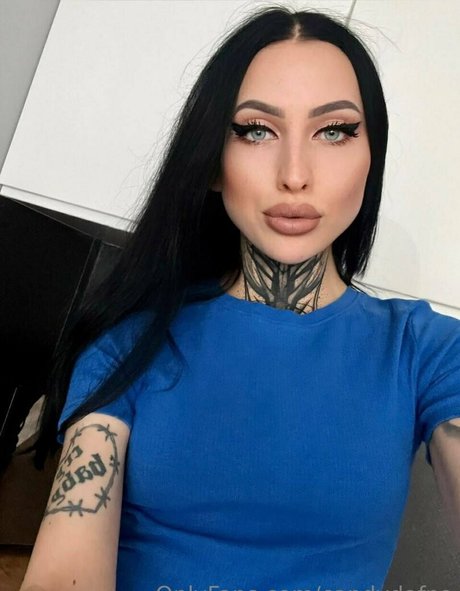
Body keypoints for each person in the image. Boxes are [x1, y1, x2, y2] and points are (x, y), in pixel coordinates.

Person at [21, 5, 460, 591]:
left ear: (370, 158)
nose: (295, 174)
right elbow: (64, 570)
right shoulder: (129, 344)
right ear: (212, 163)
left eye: (334, 131)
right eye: (256, 130)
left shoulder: (427, 352)